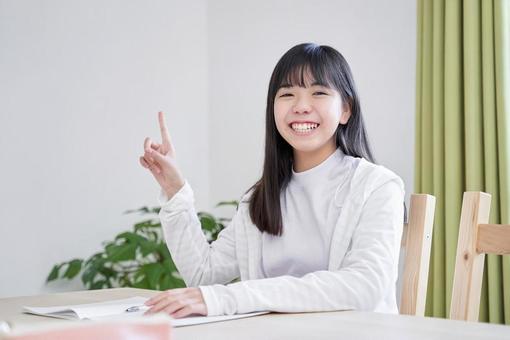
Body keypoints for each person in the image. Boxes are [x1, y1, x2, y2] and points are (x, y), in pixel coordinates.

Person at [138, 43, 405, 318]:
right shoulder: (260, 198)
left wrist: (239, 295)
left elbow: (365, 285)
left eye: (319, 93)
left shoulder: (377, 186)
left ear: (346, 110)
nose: (301, 106)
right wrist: (174, 189)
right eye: (287, 94)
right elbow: (204, 275)